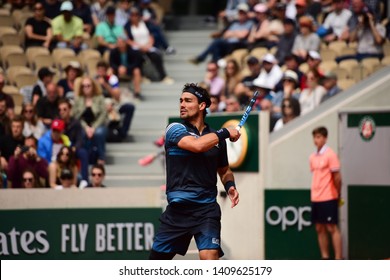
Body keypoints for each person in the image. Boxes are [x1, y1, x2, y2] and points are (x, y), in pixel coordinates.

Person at [149, 83, 240, 260]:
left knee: (210, 258)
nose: (182, 104)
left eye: (188, 100)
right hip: (177, 212)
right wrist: (226, 132)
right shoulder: (174, 129)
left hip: (206, 210)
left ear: (202, 105)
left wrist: (230, 185)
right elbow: (197, 146)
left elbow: (224, 170)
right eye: (181, 101)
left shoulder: (215, 139)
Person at [309, 126, 343, 260]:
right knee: (319, 228)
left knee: (332, 228)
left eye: (318, 137)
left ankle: (338, 259)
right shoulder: (312, 157)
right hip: (316, 197)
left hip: (329, 197)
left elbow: (337, 177)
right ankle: (325, 258)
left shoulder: (331, 155)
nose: (316, 140)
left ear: (325, 138)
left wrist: (337, 194)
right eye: (314, 137)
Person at [124, 7, 174, 84]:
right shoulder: (127, 26)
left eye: (136, 15)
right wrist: (140, 47)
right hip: (136, 48)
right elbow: (128, 40)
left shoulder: (145, 24)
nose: (134, 17)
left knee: (156, 55)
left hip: (148, 46)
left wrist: (149, 45)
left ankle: (163, 76)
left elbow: (151, 36)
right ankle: (142, 76)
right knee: (137, 56)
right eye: (132, 15)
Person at [189, 3, 254, 64]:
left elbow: (242, 35)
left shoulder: (250, 23)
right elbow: (225, 35)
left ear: (246, 13)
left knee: (217, 42)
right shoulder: (234, 23)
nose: (241, 14)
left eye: (243, 13)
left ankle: (202, 58)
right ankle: (216, 62)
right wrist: (237, 33)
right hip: (227, 44)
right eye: (240, 12)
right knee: (216, 47)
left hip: (238, 45)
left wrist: (232, 33)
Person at [73, 77, 107, 165]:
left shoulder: (99, 98)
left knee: (99, 133)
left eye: (88, 86)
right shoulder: (78, 99)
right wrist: (86, 127)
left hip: (98, 124)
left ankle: (101, 157)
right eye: (84, 86)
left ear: (93, 86)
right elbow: (76, 116)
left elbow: (103, 114)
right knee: (82, 134)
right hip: (83, 125)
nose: (86, 88)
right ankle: (85, 158)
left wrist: (93, 128)